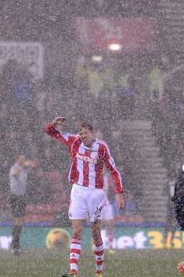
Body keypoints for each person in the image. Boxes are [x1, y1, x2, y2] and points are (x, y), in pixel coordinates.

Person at [45, 116, 124, 277]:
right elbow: (51, 132)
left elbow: (114, 171)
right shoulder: (74, 141)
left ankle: (99, 271)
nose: (83, 136)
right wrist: (52, 125)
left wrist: (119, 194)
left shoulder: (102, 147)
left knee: (95, 231)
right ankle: (74, 271)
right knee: (76, 230)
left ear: (93, 133)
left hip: (96, 193)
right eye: (80, 133)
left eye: (85, 133)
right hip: (78, 190)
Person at [9, 154, 36, 255]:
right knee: (17, 221)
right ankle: (14, 245)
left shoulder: (24, 169)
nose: (24, 161)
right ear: (17, 160)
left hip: (21, 197)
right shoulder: (15, 168)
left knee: (20, 222)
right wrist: (23, 167)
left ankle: (15, 245)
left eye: (24, 159)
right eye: (22, 159)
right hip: (15, 197)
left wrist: (30, 166)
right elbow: (14, 174)